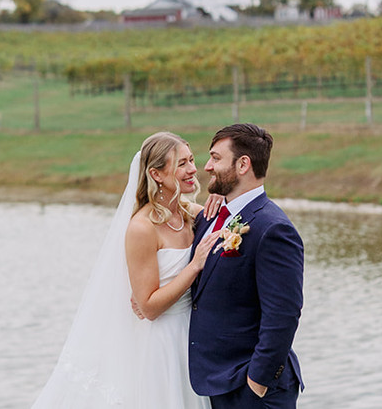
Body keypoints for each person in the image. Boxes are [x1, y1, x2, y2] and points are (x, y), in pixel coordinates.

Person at [32, 131, 223, 408]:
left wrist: (221, 203)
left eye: (192, 160)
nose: (193, 169)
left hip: (194, 337)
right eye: (181, 163)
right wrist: (194, 267)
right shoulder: (141, 228)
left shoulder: (191, 213)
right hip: (162, 343)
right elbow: (148, 307)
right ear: (157, 174)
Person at [188, 123, 306, 409]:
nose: (207, 167)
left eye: (216, 158)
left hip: (251, 389)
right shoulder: (211, 217)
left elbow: (283, 314)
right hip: (215, 382)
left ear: (243, 165)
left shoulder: (273, 229)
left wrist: (257, 384)